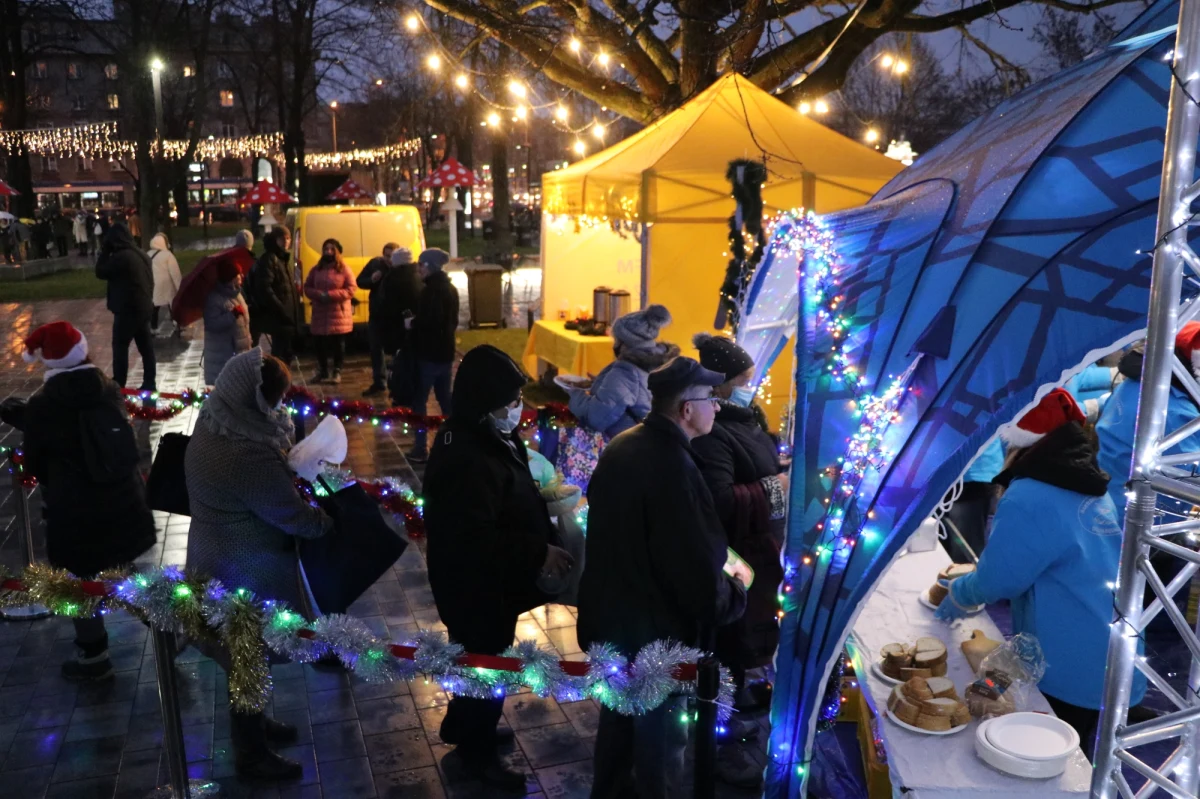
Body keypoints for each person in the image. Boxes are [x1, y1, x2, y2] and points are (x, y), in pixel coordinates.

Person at [936, 388, 1144, 757]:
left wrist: (960, 594)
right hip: (1113, 644)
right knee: (1080, 751)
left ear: (1021, 442)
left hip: (1067, 656)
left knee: (1049, 756)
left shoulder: (1031, 495)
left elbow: (1001, 578)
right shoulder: (1092, 483)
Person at [579, 356, 748, 797]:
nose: (717, 406)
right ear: (686, 409)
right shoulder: (675, 469)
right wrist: (733, 594)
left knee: (617, 734)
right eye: (711, 398)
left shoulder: (624, 445)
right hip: (658, 642)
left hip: (612, 625)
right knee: (661, 751)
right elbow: (693, 569)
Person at [423, 344, 572, 788]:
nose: (518, 409)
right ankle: (478, 756)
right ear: (486, 400)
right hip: (474, 586)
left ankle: (464, 726)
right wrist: (538, 551)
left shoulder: (484, 434)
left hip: (489, 584)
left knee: (479, 658)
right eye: (510, 401)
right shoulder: (465, 455)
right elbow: (472, 535)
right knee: (485, 662)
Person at [185, 348, 333, 781]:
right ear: (252, 401)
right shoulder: (246, 453)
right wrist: (326, 521)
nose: (279, 409)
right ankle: (251, 754)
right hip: (242, 566)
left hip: (215, 553)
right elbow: (290, 515)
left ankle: (255, 726)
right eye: (274, 401)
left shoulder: (216, 420)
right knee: (248, 655)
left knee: (244, 658)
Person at [16, 322, 156, 680]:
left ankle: (94, 658)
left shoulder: (43, 405)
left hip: (75, 514)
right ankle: (169, 622)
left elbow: (35, 464)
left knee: (81, 582)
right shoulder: (107, 389)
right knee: (124, 568)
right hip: (122, 503)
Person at [689, 334, 785, 772]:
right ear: (721, 385)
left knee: (742, 638)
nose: (755, 384)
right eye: (746, 379)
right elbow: (719, 500)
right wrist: (774, 488)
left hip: (754, 550)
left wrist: (778, 471)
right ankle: (716, 740)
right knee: (725, 642)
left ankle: (733, 699)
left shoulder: (745, 418)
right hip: (729, 558)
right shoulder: (713, 434)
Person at [564, 304, 679, 437]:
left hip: (627, 448)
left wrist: (574, 395)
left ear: (624, 341)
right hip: (654, 442)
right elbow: (635, 392)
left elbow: (597, 418)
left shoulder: (625, 371)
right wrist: (600, 383)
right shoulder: (662, 361)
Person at [407, 248, 459, 461]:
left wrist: (413, 324)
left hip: (429, 353)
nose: (418, 269)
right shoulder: (450, 288)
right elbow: (451, 321)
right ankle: (455, 441)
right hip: (445, 352)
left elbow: (430, 322)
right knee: (445, 398)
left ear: (428, 266)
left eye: (420, 265)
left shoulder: (431, 291)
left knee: (419, 400)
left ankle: (421, 448)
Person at [95, 222, 156, 391]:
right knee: (146, 348)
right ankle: (150, 382)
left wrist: (105, 251)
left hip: (127, 310)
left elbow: (100, 271)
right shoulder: (141, 255)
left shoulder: (121, 257)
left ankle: (119, 383)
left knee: (120, 346)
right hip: (143, 306)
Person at [303, 238, 355, 384]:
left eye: (331, 249)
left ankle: (337, 371)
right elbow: (307, 287)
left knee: (338, 344)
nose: (328, 252)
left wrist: (331, 295)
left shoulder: (344, 269)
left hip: (338, 312)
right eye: (326, 249)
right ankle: (323, 371)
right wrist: (318, 294)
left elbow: (351, 289)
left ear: (337, 252)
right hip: (320, 312)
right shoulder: (316, 269)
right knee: (319, 343)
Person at [246, 226, 300, 364]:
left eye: (288, 238)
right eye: (283, 239)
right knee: (279, 354)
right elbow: (265, 288)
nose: (286, 242)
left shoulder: (283, 259)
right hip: (279, 316)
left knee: (287, 353)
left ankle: (286, 382)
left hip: (287, 315)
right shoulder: (270, 259)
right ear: (275, 240)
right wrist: (280, 307)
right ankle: (279, 381)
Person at [356, 241, 400, 396]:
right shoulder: (376, 264)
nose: (389, 259)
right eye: (386, 256)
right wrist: (371, 280)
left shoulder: (400, 269)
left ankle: (397, 381)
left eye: (392, 256)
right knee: (376, 348)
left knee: (396, 350)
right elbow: (360, 281)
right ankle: (379, 381)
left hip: (394, 316)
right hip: (376, 314)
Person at [203, 259, 252, 385]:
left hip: (241, 352)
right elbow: (211, 324)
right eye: (238, 274)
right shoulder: (215, 299)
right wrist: (232, 315)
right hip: (223, 356)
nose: (241, 276)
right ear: (230, 278)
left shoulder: (237, 295)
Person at [148, 232, 182, 336]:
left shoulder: (147, 254)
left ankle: (153, 327)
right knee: (171, 303)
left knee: (155, 305)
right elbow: (175, 272)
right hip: (167, 284)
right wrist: (179, 286)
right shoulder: (168, 255)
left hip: (153, 284)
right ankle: (176, 323)